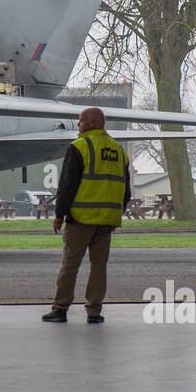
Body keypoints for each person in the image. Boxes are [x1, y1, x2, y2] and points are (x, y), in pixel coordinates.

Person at [42, 107, 131, 324]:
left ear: (92, 123)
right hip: (107, 220)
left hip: (81, 219)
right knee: (99, 266)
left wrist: (59, 215)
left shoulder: (79, 147)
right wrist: (115, 211)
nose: (78, 125)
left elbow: (67, 186)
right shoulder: (119, 151)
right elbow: (126, 190)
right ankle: (94, 311)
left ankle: (61, 308)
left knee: (70, 265)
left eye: (80, 121)